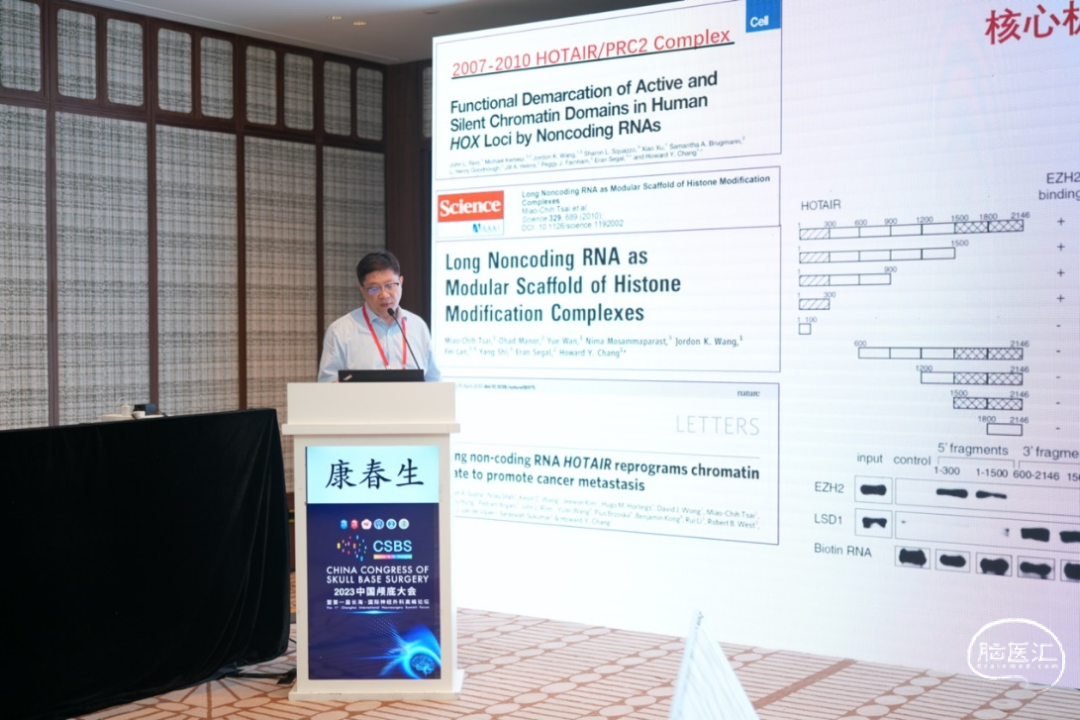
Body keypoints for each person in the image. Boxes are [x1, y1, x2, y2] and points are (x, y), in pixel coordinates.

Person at [317, 251, 440, 382]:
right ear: (362, 290)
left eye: (389, 286)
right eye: (374, 289)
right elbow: (327, 385)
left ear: (401, 282)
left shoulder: (418, 326)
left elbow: (433, 381)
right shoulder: (340, 331)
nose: (384, 295)